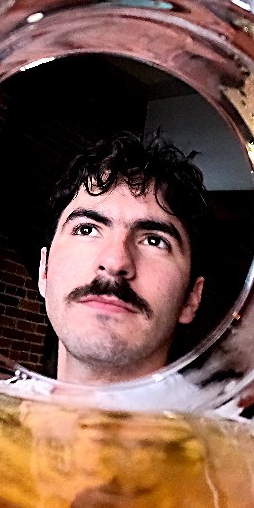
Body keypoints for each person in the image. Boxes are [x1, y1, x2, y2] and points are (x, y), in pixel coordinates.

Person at [37, 133, 211, 386]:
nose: (115, 262)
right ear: (44, 270)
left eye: (154, 240)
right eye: (87, 230)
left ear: (191, 298)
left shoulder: (229, 427)